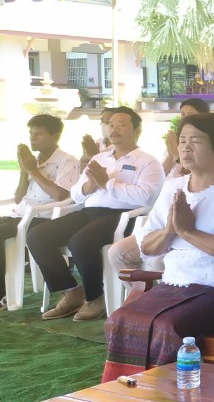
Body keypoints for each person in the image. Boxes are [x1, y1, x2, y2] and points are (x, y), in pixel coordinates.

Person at [101, 114, 214, 382]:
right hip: (174, 284)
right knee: (121, 319)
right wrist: (169, 231)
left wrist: (187, 231)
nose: (185, 147)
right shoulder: (173, 187)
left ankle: (171, 399)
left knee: (168, 326)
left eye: (196, 140)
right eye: (183, 140)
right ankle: (128, 396)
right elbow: (148, 245)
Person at [29, 107, 162, 322]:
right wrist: (88, 188)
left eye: (122, 124)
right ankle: (71, 291)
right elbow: (75, 193)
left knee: (80, 241)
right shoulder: (99, 158)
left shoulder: (147, 162)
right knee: (37, 235)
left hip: (122, 216)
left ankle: (95, 297)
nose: (114, 129)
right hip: (89, 212)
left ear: (137, 130)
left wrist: (107, 184)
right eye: (111, 125)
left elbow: (146, 197)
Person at [0, 115, 82, 312]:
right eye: (31, 133)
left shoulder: (67, 161)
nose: (33, 138)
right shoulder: (33, 160)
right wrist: (23, 171)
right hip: (20, 214)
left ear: (55, 136)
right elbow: (19, 198)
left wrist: (33, 171)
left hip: (43, 219)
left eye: (39, 134)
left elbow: (62, 195)